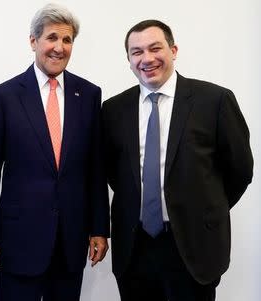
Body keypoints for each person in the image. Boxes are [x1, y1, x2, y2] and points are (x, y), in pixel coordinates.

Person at [101, 19, 253, 301]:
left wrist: (205, 209)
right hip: (135, 249)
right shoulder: (113, 110)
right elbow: (114, 174)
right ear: (129, 60)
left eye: (155, 48)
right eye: (137, 52)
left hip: (193, 248)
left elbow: (240, 170)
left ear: (173, 50)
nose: (147, 58)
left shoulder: (214, 100)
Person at [0, 3, 110, 301]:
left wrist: (100, 228)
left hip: (71, 242)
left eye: (67, 40)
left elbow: (95, 169)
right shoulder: (4, 96)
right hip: (17, 243)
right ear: (33, 41)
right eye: (52, 38)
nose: (59, 48)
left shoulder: (89, 95)